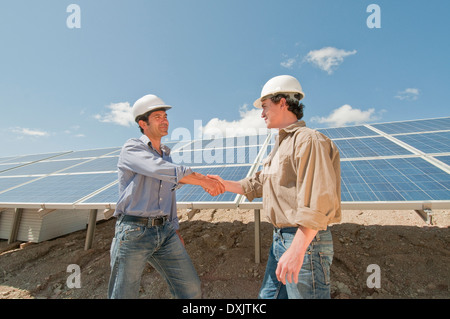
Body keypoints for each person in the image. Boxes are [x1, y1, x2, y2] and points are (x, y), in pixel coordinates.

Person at [208, 75, 341, 299]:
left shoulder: (309, 140)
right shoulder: (281, 144)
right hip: (280, 239)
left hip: (304, 241)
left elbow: (319, 202)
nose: (261, 114)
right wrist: (223, 184)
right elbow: (258, 183)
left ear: (282, 102)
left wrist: (297, 251)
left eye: (265, 106)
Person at [108, 94, 224, 299]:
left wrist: (174, 227)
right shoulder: (132, 148)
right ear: (143, 123)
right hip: (134, 231)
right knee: (123, 295)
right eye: (158, 117)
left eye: (165, 116)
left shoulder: (166, 154)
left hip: (166, 232)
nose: (165, 120)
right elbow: (163, 170)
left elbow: (168, 196)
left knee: (191, 289)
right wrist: (205, 181)